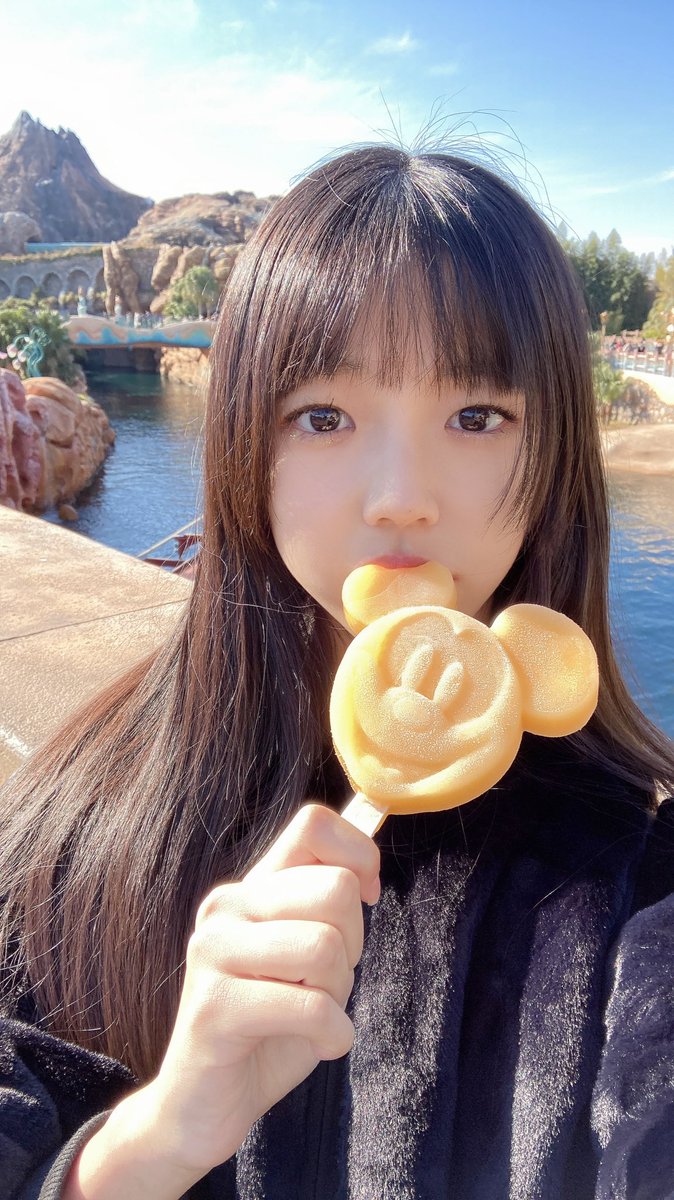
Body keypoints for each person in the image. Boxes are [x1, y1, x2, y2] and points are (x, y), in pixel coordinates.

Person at [1, 144, 674, 1200]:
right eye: (324, 417)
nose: (400, 497)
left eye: (476, 417)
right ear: (243, 447)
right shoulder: (73, 838)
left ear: (550, 457)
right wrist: (153, 1142)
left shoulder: (632, 878)